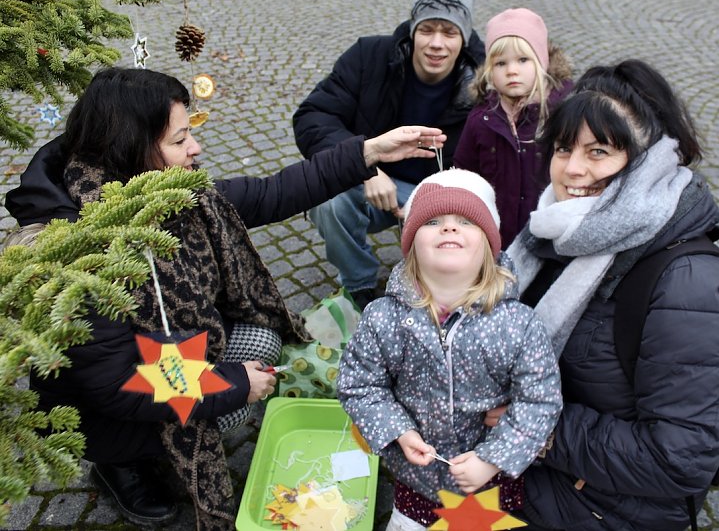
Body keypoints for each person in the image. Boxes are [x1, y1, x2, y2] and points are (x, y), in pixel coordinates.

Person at [3, 67, 444, 529]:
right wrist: (232, 385)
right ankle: (120, 464)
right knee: (232, 406)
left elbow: (273, 192)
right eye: (179, 140)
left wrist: (369, 151)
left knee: (261, 341)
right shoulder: (79, 255)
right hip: (103, 410)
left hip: (163, 359)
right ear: (131, 149)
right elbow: (116, 384)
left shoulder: (165, 192)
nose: (195, 148)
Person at [489, 59, 719, 530]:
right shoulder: (554, 232)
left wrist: (536, 427)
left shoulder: (689, 283)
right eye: (564, 148)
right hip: (532, 460)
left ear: (645, 163)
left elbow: (680, 459)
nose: (573, 170)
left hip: (607, 503)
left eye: (599, 151)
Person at [336, 168, 562, 531]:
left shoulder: (518, 324)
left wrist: (493, 458)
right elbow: (359, 385)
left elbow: (540, 401)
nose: (449, 228)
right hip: (416, 481)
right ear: (411, 246)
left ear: (488, 248)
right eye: (433, 221)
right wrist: (399, 431)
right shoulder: (383, 317)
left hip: (490, 485)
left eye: (466, 221)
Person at [293, 0, 485, 309]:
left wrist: (436, 202)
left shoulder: (484, 80)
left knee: (439, 291)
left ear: (464, 37)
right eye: (426, 29)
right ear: (412, 29)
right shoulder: (369, 56)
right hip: (372, 182)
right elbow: (313, 116)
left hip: (442, 195)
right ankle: (359, 286)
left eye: (449, 32)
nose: (436, 43)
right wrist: (363, 165)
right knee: (327, 197)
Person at [454, 7, 574, 248]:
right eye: (501, 63)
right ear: (489, 69)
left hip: (550, 237)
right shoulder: (481, 119)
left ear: (541, 61)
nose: (512, 71)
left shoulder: (563, 113)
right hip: (497, 235)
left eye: (523, 60)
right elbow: (464, 172)